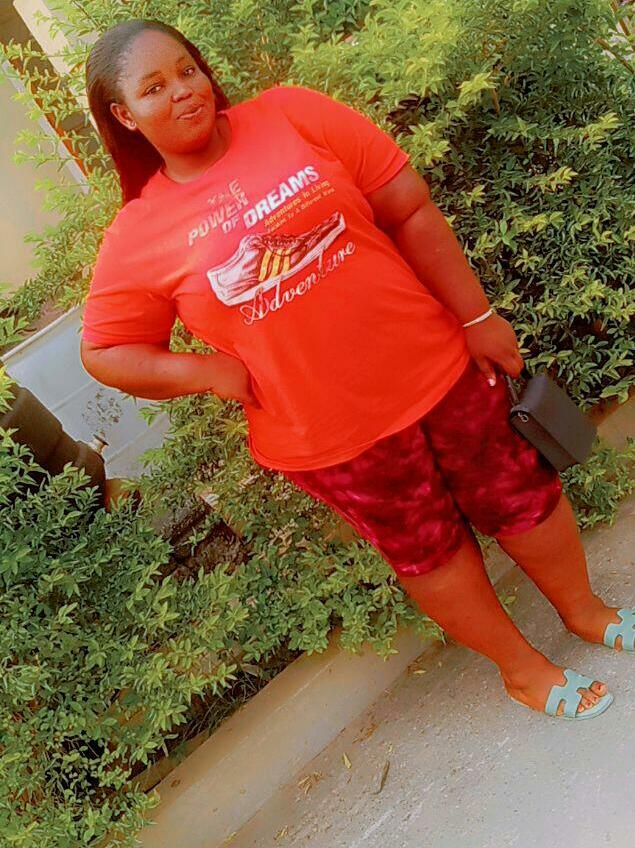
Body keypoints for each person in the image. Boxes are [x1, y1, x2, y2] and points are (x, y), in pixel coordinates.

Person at [80, 18, 632, 721]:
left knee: (522, 494)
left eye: (187, 69)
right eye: (154, 87)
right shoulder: (138, 234)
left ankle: (584, 611)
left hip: (439, 370)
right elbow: (106, 350)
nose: (183, 90)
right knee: (429, 550)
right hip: (330, 437)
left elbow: (408, 207)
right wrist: (208, 373)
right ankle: (521, 670)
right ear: (125, 116)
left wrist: (476, 318)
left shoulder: (291, 114)